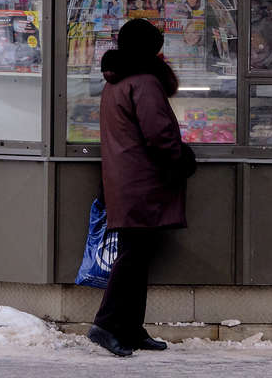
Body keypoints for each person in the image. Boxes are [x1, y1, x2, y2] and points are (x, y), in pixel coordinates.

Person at [88, 18, 196, 357]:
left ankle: (131, 328)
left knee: (137, 255)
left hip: (125, 179)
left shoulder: (117, 80)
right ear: (151, 48)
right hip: (143, 181)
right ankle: (106, 324)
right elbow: (160, 136)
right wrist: (183, 159)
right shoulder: (145, 82)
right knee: (133, 257)